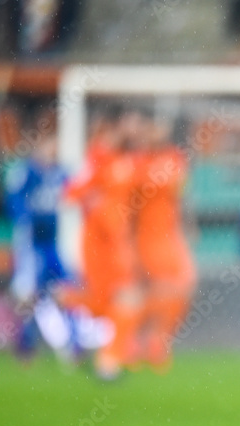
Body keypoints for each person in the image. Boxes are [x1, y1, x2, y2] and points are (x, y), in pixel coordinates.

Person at [60, 107, 145, 380]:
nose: (138, 129)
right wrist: (93, 202)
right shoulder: (98, 157)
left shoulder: (129, 159)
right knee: (122, 300)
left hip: (120, 244)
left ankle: (108, 359)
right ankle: (107, 362)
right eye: (134, 123)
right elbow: (71, 192)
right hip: (100, 245)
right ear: (118, 125)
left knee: (121, 302)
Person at [4, 119, 76, 360]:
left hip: (53, 243)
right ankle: (25, 345)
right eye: (48, 143)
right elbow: (13, 203)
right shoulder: (25, 171)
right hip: (30, 242)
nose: (52, 148)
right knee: (29, 294)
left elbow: (77, 195)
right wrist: (25, 218)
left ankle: (72, 345)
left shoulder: (61, 172)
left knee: (67, 289)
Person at [134, 118, 197, 371]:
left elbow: (182, 196)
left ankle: (158, 339)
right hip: (144, 236)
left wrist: (189, 224)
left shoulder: (174, 158)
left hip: (170, 235)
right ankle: (140, 341)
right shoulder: (137, 161)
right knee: (153, 289)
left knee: (185, 286)